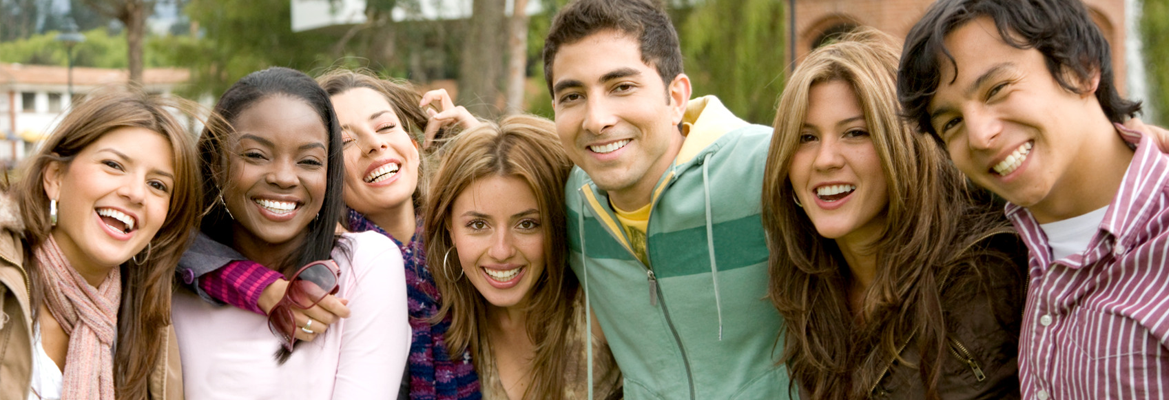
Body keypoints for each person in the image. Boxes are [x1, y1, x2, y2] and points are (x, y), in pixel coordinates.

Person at [898, 0, 1169, 398]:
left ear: (1081, 68)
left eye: (997, 89)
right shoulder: (1006, 251)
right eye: (951, 122)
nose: (979, 136)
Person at [183, 68, 484, 400]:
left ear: (414, 146)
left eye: (385, 126)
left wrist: (485, 152)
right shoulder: (340, 266)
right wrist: (260, 286)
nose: (375, 144)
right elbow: (179, 248)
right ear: (332, 175)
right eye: (346, 141)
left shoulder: (463, 243)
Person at [542, 0, 788, 398]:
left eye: (622, 87)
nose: (596, 119)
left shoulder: (767, 169)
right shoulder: (570, 202)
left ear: (676, 97)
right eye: (572, 96)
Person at [762, 29, 1026, 399]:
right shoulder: (803, 287)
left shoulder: (989, 274)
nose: (825, 160)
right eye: (806, 138)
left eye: (855, 133)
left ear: (903, 146)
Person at [0, 89, 201, 399]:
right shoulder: (7, 286)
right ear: (55, 177)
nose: (136, 193)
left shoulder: (151, 320)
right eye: (114, 165)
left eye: (157, 185)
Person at [425, 115, 621, 400]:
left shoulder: (600, 310)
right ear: (449, 227)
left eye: (527, 224)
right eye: (478, 225)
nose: (501, 250)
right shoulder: (437, 320)